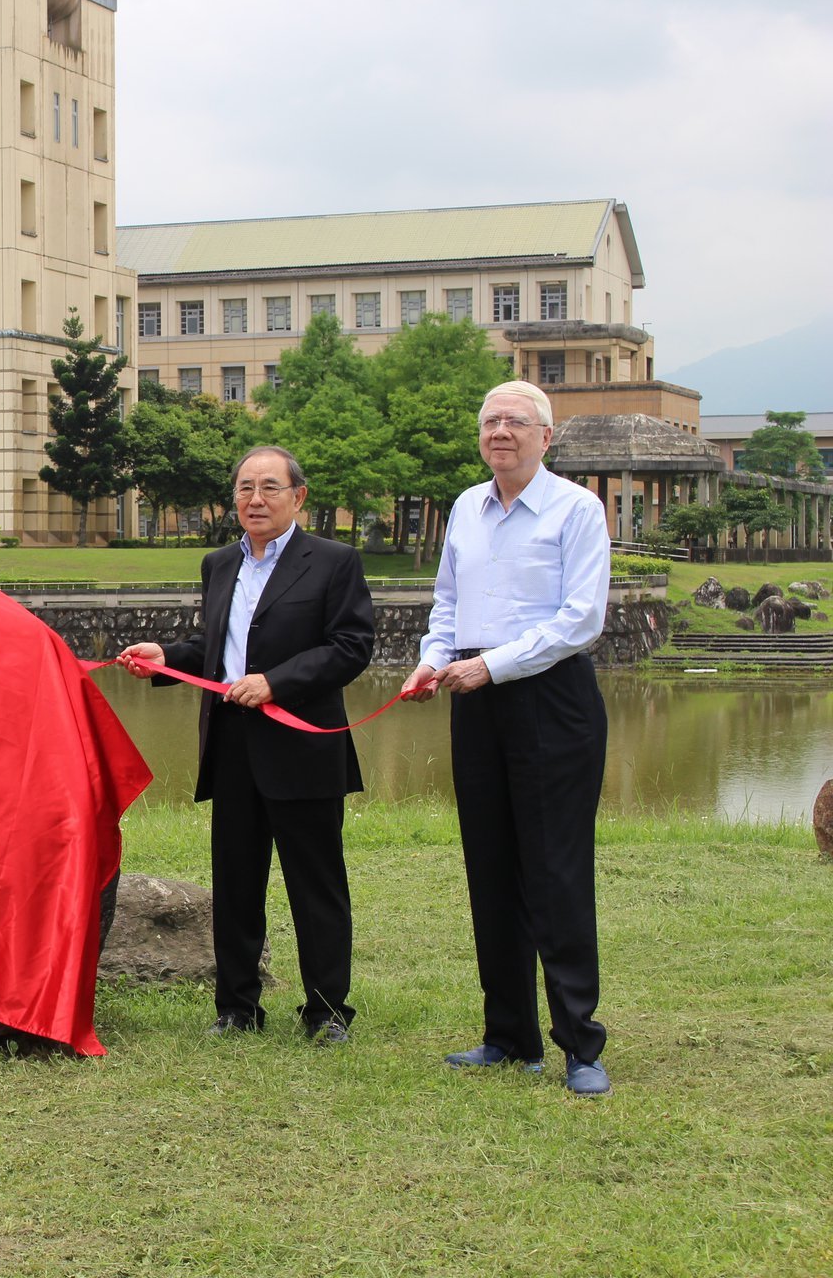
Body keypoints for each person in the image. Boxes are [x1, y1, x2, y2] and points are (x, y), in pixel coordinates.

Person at [118, 446, 374, 1043]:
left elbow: (351, 646)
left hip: (302, 749)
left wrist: (277, 682)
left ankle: (327, 1012)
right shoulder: (219, 563)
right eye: (244, 489)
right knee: (236, 882)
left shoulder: (334, 561)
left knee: (317, 885)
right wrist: (165, 660)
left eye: (269, 488)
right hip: (232, 746)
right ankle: (236, 1008)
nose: (255, 500)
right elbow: (217, 648)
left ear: (298, 497)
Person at [400, 379, 614, 1096]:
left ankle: (580, 1045)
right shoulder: (466, 507)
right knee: (489, 866)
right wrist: (434, 661)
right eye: (491, 420)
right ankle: (508, 1035)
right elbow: (449, 603)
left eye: (516, 422)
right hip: (476, 696)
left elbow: (581, 619)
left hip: (550, 698)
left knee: (553, 871)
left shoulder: (576, 509)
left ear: (545, 437)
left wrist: (491, 666)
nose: (501, 432)